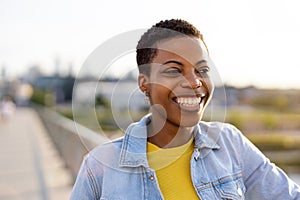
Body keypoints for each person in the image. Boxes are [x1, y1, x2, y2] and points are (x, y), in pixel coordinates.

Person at [70, 19, 300, 199]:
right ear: (144, 84)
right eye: (173, 70)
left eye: (201, 69)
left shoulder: (231, 144)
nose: (194, 82)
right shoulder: (100, 165)